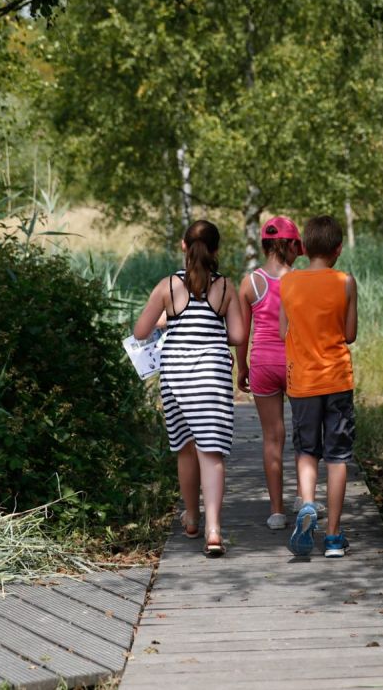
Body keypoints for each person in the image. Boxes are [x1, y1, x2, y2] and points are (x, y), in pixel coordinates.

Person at [134, 220, 243, 557]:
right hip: (212, 375)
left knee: (185, 448)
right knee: (211, 452)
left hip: (177, 376)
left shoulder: (167, 286)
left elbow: (141, 331)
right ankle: (213, 530)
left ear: (184, 246)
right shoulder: (225, 288)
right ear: (216, 250)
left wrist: (169, 319)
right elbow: (238, 336)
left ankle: (192, 518)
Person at [280, 215, 358, 558]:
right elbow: (350, 334)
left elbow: (285, 330)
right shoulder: (346, 281)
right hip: (337, 379)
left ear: (304, 248)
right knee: (338, 456)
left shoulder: (288, 283)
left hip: (303, 384)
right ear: (338, 249)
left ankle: (309, 504)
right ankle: (333, 536)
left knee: (307, 450)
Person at [235, 216, 302, 530]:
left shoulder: (251, 282)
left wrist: (242, 366)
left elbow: (240, 333)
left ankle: (277, 512)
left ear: (264, 245)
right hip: (296, 364)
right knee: (303, 433)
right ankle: (304, 496)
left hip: (262, 363)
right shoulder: (299, 281)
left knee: (272, 438)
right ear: (290, 245)